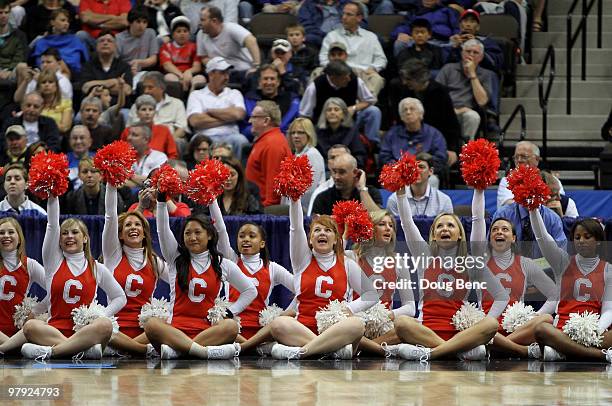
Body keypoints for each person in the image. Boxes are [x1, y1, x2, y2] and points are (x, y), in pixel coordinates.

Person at [390, 186, 508, 361]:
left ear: (460, 234)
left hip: (460, 332)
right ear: (434, 236)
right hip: (426, 330)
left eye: (450, 225)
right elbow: (407, 223)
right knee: (402, 322)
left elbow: (501, 295)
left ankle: (430, 354)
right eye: (439, 226)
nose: (445, 229)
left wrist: (479, 189)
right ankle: (455, 352)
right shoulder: (425, 258)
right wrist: (400, 194)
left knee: (491, 324)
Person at [143, 193, 257, 360]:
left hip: (208, 331)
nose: (192, 237)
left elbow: (250, 290)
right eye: (188, 233)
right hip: (176, 329)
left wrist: (231, 311)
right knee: (151, 324)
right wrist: (161, 202)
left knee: (231, 327)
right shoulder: (175, 259)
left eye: (198, 232)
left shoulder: (222, 263)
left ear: (209, 235)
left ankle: (179, 351)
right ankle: (202, 352)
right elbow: (162, 230)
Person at [266, 192, 378, 360]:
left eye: (328, 230)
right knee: (278, 324)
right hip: (303, 328)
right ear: (310, 240)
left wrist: (349, 309)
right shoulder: (302, 260)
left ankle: (303, 352)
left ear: (336, 240)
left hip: (335, 329)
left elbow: (372, 295)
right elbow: (295, 228)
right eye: (317, 230)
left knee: (356, 324)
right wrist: (295, 200)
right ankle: (330, 351)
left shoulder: (347, 263)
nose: (322, 233)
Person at [20, 193, 127, 360]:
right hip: (54, 330)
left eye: (75, 232)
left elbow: (120, 297)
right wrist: (52, 194)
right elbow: (52, 225)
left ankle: (53, 352)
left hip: (85, 331)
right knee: (30, 326)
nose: (69, 236)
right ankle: (81, 351)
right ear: (59, 240)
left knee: (105, 325)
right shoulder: (53, 262)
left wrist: (100, 315)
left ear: (85, 238)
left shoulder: (97, 268)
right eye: (65, 233)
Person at [530, 214, 612, 362]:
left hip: (593, 331)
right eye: (577, 237)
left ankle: (563, 351)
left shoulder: (608, 269)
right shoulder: (563, 262)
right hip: (562, 330)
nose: (581, 241)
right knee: (541, 329)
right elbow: (542, 238)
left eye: (587, 237)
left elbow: (608, 310)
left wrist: (594, 331)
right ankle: (601, 355)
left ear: (599, 241)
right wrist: (533, 210)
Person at [210, 202, 294, 344]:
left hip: (261, 331)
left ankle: (245, 347)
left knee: (286, 320)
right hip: (233, 329)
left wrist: (284, 314)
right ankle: (250, 347)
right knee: (217, 321)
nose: (246, 239)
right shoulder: (231, 261)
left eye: (252, 236)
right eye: (241, 236)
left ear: (262, 243)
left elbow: (302, 289)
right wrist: (212, 201)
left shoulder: (273, 268)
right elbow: (221, 231)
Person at [101, 182, 167, 356]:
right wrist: (112, 183)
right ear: (120, 235)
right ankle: (141, 351)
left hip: (145, 331)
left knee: (165, 323)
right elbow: (110, 217)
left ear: (144, 232)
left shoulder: (154, 261)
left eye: (137, 225)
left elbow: (179, 280)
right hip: (116, 330)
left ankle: (126, 350)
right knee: (98, 327)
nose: (133, 228)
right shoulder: (113, 255)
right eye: (128, 226)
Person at [344, 209, 417, 357]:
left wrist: (385, 316)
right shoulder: (351, 257)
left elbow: (410, 307)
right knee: (342, 324)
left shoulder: (399, 262)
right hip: (357, 321)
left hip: (383, 325)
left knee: (408, 328)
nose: (388, 228)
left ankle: (362, 348)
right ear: (369, 228)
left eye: (391, 225)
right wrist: (346, 234)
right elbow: (334, 253)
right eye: (382, 224)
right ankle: (379, 349)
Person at [483, 217, 558, 359]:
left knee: (546, 319)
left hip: (517, 328)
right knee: (476, 326)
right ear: (489, 238)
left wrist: (533, 316)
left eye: (505, 229)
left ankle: (497, 347)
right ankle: (518, 350)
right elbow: (477, 221)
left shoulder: (525, 263)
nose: (499, 232)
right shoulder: (481, 261)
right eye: (494, 230)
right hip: (487, 326)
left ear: (513, 238)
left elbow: (555, 294)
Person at [387, 59, 461, 166]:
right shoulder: (401, 88)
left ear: (420, 79)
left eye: (408, 79)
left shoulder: (440, 92)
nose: (404, 82)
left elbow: (451, 124)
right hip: (406, 137)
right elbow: (397, 118)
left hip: (433, 139)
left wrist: (452, 149)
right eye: (404, 79)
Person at [300, 60, 381, 146]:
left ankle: (372, 145)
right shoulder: (315, 87)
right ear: (333, 77)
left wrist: (354, 108)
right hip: (324, 125)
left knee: (374, 111)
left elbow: (369, 100)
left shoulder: (355, 80)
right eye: (345, 77)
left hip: (350, 120)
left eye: (349, 76)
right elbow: (305, 114)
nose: (349, 79)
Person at [186, 57, 249, 161]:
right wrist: (228, 117)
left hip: (231, 136)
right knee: (197, 141)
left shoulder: (234, 93)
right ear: (211, 74)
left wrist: (210, 111)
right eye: (223, 73)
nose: (227, 77)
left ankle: (238, 175)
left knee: (241, 140)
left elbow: (239, 115)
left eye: (227, 73)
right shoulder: (196, 95)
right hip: (205, 136)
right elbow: (195, 121)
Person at [319, 1, 387, 96]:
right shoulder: (331, 36)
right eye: (343, 13)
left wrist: (374, 68)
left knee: (377, 79)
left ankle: (364, 104)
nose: (344, 17)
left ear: (359, 18)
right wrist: (334, 69)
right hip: (338, 72)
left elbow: (381, 59)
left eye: (349, 14)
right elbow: (323, 58)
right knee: (317, 72)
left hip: (363, 73)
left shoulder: (370, 37)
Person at [0, 218, 46, 356]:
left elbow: (56, 289)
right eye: (1, 233)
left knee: (44, 320)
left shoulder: (29, 264)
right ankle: (14, 348)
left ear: (19, 238)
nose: (6, 236)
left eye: (11, 232)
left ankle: (7, 348)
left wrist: (36, 310)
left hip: (19, 330)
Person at [436, 39, 495, 141]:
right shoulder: (448, 68)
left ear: (480, 57)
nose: (471, 55)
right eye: (468, 51)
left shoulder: (486, 74)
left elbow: (482, 101)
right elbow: (436, 94)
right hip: (446, 111)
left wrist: (473, 75)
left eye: (475, 52)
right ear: (462, 53)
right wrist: (453, 110)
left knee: (473, 117)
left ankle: (466, 152)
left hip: (466, 113)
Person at [380, 98, 448, 177]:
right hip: (398, 174)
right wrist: (399, 169)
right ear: (401, 117)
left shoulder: (434, 134)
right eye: (404, 110)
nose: (408, 112)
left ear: (421, 114)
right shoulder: (391, 134)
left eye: (412, 109)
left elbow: (440, 157)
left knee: (433, 180)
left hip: (425, 175)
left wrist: (420, 169)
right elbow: (384, 157)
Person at [245, 101, 292, 207]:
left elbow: (274, 182)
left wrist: (267, 212)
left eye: (254, 117)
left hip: (263, 208)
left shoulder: (273, 144)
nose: (249, 121)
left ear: (266, 120)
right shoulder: (266, 141)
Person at [196, 6, 261, 81]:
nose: (199, 23)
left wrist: (256, 66)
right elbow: (204, 57)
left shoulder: (231, 28)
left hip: (242, 70)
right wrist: (215, 68)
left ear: (214, 21)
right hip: (219, 72)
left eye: (202, 20)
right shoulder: (200, 34)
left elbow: (251, 40)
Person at [497, 141, 565, 210]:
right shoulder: (506, 181)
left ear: (537, 159)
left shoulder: (553, 180)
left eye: (524, 157)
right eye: (516, 157)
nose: (519, 160)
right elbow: (509, 206)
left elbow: (559, 203)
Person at [127, 71, 188, 147]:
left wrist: (168, 141)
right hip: (143, 142)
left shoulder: (177, 104)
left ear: (162, 88)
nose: (146, 91)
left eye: (150, 87)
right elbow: (130, 128)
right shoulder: (137, 105)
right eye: (144, 87)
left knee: (179, 142)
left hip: (168, 141)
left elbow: (181, 129)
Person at [242, 64, 300, 140]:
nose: (269, 82)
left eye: (272, 79)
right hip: (255, 139)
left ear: (278, 82)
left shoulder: (292, 99)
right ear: (259, 82)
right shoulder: (250, 99)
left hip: (286, 140)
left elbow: (297, 124)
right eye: (265, 79)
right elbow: (245, 128)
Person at [385, 152, 453, 217]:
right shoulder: (394, 200)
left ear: (431, 171)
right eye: (412, 167)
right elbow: (393, 228)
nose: (416, 171)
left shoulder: (444, 201)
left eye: (421, 167)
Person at [311, 153, 381, 215]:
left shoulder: (371, 193)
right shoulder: (322, 198)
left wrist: (362, 189)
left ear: (355, 172)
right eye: (334, 172)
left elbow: (377, 220)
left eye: (342, 172)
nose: (336, 177)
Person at [78, 31, 133, 105]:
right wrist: (111, 82)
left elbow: (127, 91)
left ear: (115, 46)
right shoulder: (88, 66)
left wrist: (96, 85)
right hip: (93, 108)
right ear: (96, 46)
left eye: (109, 41)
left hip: (120, 109)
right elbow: (85, 87)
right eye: (102, 41)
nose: (105, 43)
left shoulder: (124, 66)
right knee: (78, 117)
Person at [30, 9, 89, 75]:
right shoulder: (42, 42)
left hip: (74, 76)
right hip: (48, 76)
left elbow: (85, 63)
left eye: (68, 21)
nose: (66, 23)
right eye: (63, 20)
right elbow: (40, 64)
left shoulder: (75, 40)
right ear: (52, 22)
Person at [121, 95, 178, 160]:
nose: (147, 113)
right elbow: (123, 153)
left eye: (151, 109)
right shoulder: (128, 131)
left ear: (155, 112)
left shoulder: (164, 130)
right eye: (143, 109)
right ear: (137, 113)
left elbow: (173, 155)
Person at [315, 97, 366, 169]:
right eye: (329, 110)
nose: (332, 112)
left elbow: (360, 155)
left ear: (344, 114)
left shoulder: (352, 130)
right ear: (325, 114)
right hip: (324, 169)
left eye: (336, 109)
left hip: (346, 169)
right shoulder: (318, 131)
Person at [447, 9, 504, 73]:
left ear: (478, 27)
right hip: (457, 75)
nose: (468, 24)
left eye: (472, 21)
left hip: (481, 74)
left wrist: (478, 44)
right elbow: (445, 66)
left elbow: (495, 64)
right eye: (465, 21)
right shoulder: (452, 41)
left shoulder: (486, 41)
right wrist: (454, 48)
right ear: (460, 26)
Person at [286, 118, 325, 210]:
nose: (296, 136)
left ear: (309, 134)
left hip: (306, 208)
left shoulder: (312, 154)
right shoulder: (296, 154)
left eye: (300, 132)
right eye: (293, 133)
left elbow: (310, 188)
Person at [115, 6, 159, 87]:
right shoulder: (119, 38)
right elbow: (115, 63)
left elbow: (153, 59)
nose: (141, 25)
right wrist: (128, 68)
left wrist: (138, 62)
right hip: (123, 73)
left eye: (144, 22)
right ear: (130, 22)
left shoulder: (150, 33)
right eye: (138, 22)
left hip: (142, 72)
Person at [159, 16, 202, 94]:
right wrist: (181, 76)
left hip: (191, 75)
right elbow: (167, 65)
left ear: (189, 33)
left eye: (185, 31)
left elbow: (197, 66)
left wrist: (188, 72)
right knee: (169, 78)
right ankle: (179, 101)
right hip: (174, 74)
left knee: (200, 79)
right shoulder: (166, 47)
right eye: (178, 31)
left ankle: (191, 100)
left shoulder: (194, 46)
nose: (182, 34)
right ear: (172, 34)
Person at [35, 69, 73, 134]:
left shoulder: (66, 103)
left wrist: (44, 122)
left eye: (50, 82)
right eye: (43, 82)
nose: (47, 85)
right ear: (39, 86)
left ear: (56, 86)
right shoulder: (34, 103)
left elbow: (64, 128)